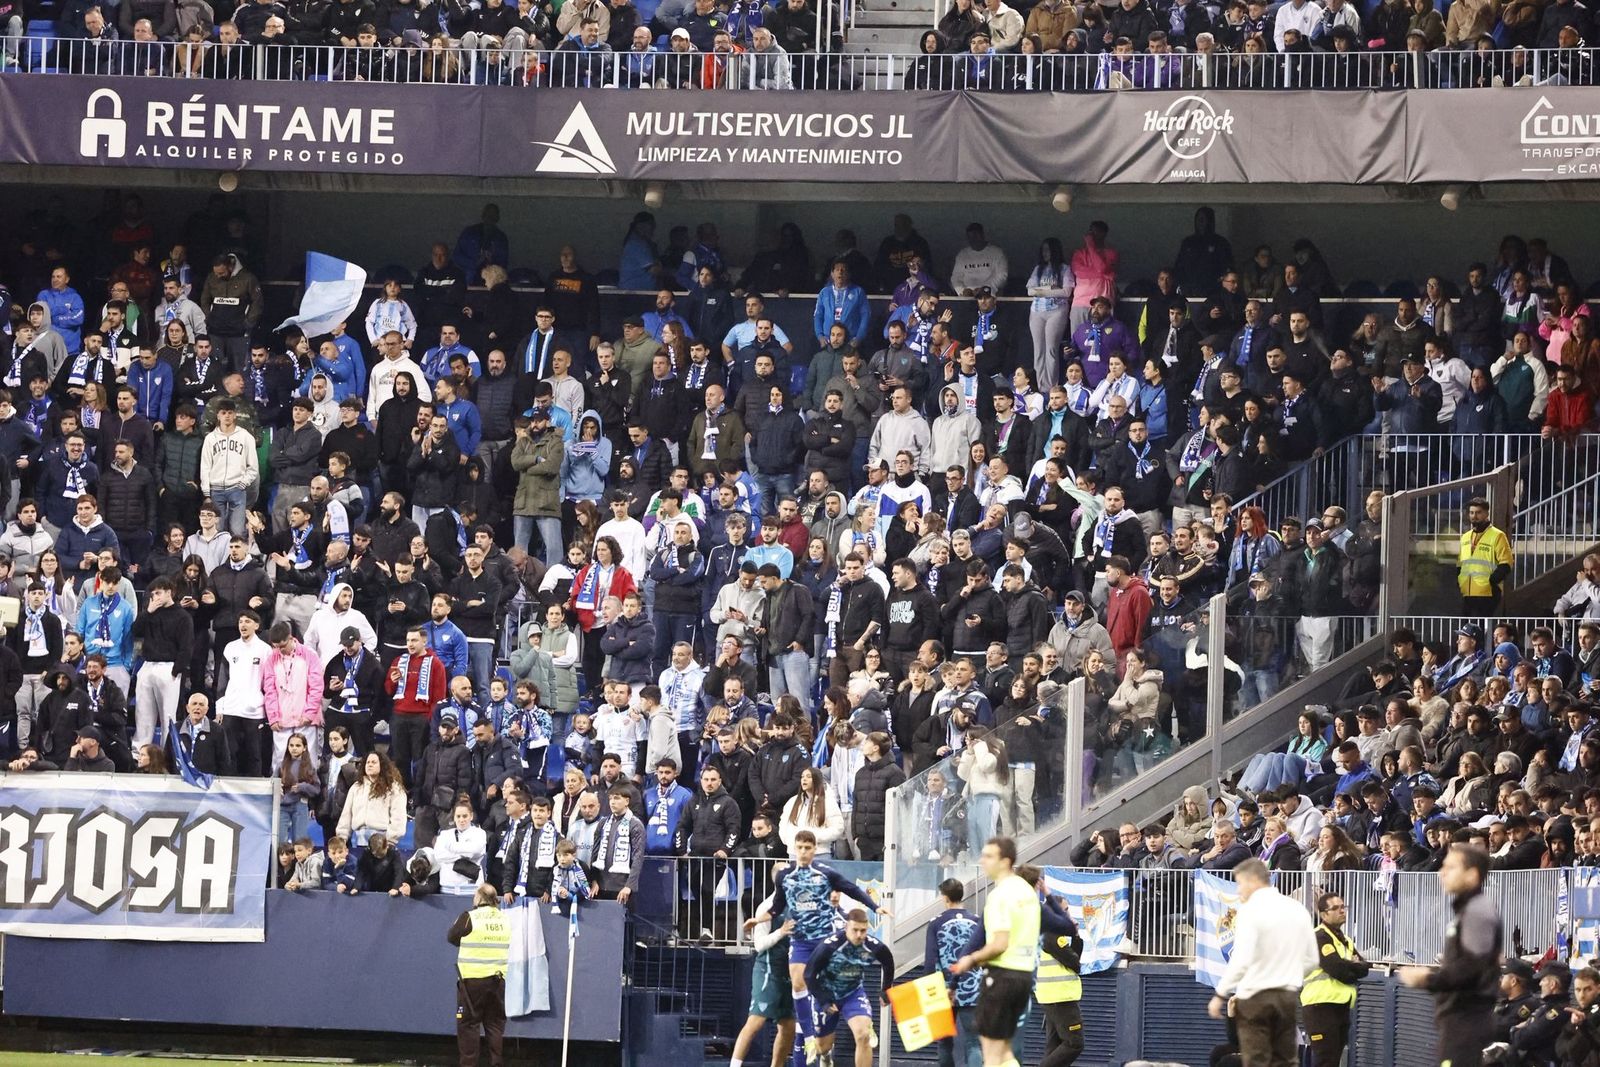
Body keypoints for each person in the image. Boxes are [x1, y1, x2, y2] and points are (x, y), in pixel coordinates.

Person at [747, 830, 890, 1063]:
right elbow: (776, 907)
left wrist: (875, 907)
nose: (803, 852)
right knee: (798, 982)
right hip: (800, 940)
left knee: (836, 976)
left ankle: (861, 1019)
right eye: (800, 847)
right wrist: (758, 920)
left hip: (823, 939)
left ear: (815, 849)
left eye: (808, 848)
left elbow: (852, 889)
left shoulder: (826, 874)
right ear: (794, 849)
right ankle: (809, 1037)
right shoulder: (785, 876)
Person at [1206, 859, 1318, 1067]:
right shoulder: (1296, 908)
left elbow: (1241, 960)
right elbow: (1312, 959)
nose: (1238, 890)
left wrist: (1220, 994)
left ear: (1254, 880)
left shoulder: (1251, 911)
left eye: (1241, 883)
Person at [1400, 843, 1501, 1067]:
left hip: (1467, 1022)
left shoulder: (1477, 913)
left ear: (1472, 875)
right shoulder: (1468, 910)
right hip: (1458, 1021)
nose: (1442, 872)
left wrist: (1426, 979)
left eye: (1451, 867)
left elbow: (1471, 969)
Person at [951, 836, 1039, 1067]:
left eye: (989, 856)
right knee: (1005, 1053)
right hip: (1024, 978)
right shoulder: (1027, 891)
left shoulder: (1000, 895)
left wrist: (971, 959)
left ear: (1005, 861)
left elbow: (1000, 944)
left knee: (991, 1055)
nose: (982, 861)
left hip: (1001, 978)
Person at [802, 909, 897, 1067]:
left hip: (853, 993)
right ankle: (826, 1056)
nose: (859, 935)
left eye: (863, 931)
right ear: (846, 927)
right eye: (855, 930)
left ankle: (867, 1025)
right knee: (822, 1046)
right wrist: (824, 1000)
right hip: (826, 993)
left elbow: (888, 963)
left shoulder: (874, 946)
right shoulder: (829, 946)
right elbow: (808, 975)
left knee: (863, 1036)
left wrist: (885, 989)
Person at [1299, 891, 1371, 1067]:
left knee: (1333, 1060)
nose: (1342, 911)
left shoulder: (1345, 940)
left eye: (1343, 907)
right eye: (1336, 908)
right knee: (1325, 1060)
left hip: (1340, 1007)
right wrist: (1352, 966)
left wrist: (1353, 967)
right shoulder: (1319, 937)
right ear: (1324, 914)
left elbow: (1365, 967)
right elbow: (1338, 969)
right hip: (1320, 1007)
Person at [447, 883, 511, 1067]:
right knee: (495, 1026)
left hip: (472, 982)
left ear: (479, 898)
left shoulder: (469, 917)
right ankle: (496, 1063)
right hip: (497, 980)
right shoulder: (505, 919)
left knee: (468, 1025)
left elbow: (452, 937)